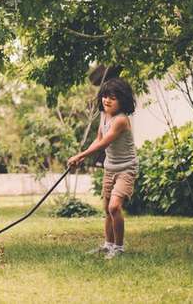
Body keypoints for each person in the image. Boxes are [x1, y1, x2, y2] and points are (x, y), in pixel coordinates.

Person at [68, 78, 138, 259]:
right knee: (107, 208)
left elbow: (104, 143)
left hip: (126, 169)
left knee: (115, 207)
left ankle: (119, 248)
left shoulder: (121, 120)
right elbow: (98, 139)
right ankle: (108, 245)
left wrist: (81, 155)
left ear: (122, 100)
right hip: (110, 168)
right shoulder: (104, 115)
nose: (106, 100)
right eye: (105, 96)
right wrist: (82, 156)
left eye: (112, 98)